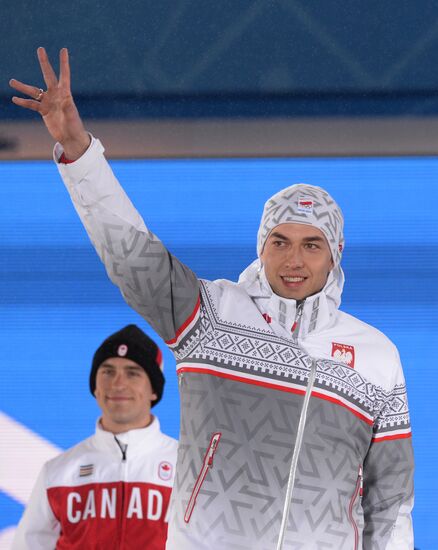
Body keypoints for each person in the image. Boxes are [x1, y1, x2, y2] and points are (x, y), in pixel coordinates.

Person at [10, 48, 414, 550]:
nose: (294, 260)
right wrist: (78, 150)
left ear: (334, 256)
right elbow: (130, 253)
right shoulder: (211, 315)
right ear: (260, 248)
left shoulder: (377, 357)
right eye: (279, 242)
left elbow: (390, 501)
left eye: (312, 245)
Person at [11, 324, 178, 550]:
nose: (118, 384)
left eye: (132, 373)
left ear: (154, 390)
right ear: (95, 387)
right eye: (108, 371)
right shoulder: (58, 473)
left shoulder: (187, 469)